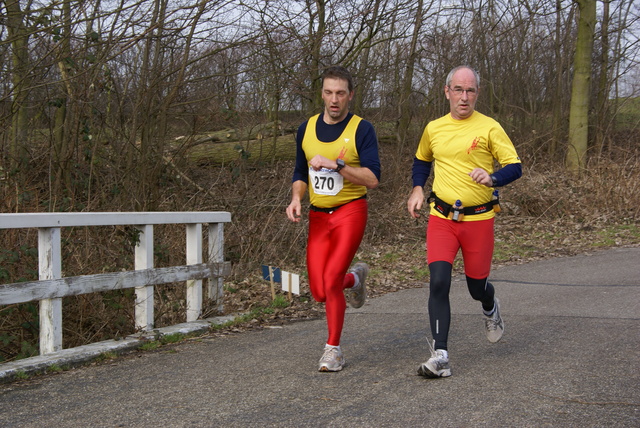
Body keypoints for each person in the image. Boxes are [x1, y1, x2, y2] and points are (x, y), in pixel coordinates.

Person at [407, 65, 522, 378]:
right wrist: (418, 187)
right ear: (447, 92)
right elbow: (422, 159)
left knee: (475, 287)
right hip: (442, 217)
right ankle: (441, 355)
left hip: (479, 219)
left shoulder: (489, 127)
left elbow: (515, 166)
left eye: (470, 90)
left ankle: (489, 304)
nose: (464, 97)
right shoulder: (434, 128)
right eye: (458, 89)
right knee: (439, 281)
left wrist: (493, 176)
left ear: (477, 94)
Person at [286, 65, 380, 372]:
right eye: (328, 92)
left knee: (329, 282)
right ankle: (354, 279)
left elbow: (372, 178)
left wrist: (337, 165)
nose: (334, 99)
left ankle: (333, 350)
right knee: (318, 291)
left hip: (350, 211)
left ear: (350, 95)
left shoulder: (362, 129)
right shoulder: (306, 128)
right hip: (318, 217)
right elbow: (300, 172)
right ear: (322, 94)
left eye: (340, 93)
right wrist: (296, 198)